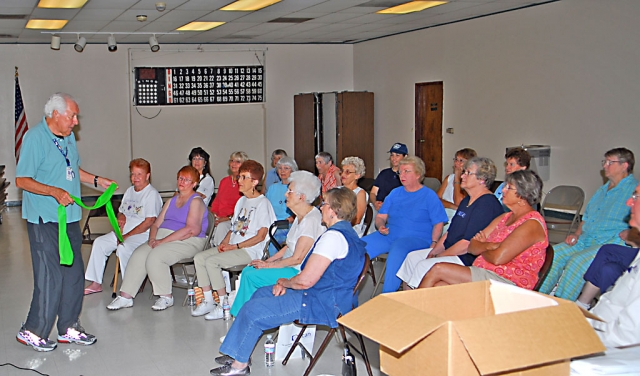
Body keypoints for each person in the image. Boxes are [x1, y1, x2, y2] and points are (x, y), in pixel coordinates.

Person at [210, 187, 366, 376]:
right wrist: (287, 283)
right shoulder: (347, 233)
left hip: (321, 301)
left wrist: (284, 282)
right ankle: (237, 353)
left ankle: (239, 366)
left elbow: (306, 281)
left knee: (253, 311)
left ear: (333, 210)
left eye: (324, 204)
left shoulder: (333, 237)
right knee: (260, 294)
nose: (321, 208)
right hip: (322, 294)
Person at [15, 92, 116, 351]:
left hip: (70, 217)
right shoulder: (34, 138)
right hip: (44, 219)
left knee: (73, 275)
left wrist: (96, 180)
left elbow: (72, 169)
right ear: (55, 114)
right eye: (72, 116)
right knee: (50, 276)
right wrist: (54, 191)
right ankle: (32, 330)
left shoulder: (68, 138)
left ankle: (69, 326)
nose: (75, 122)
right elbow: (22, 180)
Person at [419, 170, 548, 290]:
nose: (503, 190)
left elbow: (498, 258)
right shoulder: (505, 217)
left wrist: (483, 247)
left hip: (508, 281)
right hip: (485, 272)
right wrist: (492, 246)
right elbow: (472, 247)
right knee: (438, 286)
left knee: (438, 269)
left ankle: (408, 312)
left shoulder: (532, 224)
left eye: (509, 188)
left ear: (523, 195)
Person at [539, 148, 637, 300]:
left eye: (610, 162)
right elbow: (588, 217)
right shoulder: (603, 190)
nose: (605, 165)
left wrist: (630, 233)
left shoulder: (634, 190)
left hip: (609, 243)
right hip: (586, 238)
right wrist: (576, 234)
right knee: (554, 254)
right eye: (604, 161)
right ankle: (539, 296)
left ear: (625, 165)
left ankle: (563, 305)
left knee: (576, 263)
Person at [106, 166, 208, 311]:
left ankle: (166, 297)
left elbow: (191, 230)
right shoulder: (171, 201)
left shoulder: (196, 201)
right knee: (139, 254)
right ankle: (125, 296)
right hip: (163, 237)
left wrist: (162, 242)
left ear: (194, 183)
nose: (182, 182)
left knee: (156, 256)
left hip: (188, 240)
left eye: (186, 180)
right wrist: (153, 238)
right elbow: (156, 224)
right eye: (180, 178)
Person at [397, 157, 504, 288]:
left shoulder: (486, 204)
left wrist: (440, 255)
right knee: (412, 258)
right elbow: (449, 233)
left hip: (464, 257)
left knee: (424, 265)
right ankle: (407, 299)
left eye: (468, 173)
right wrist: (434, 251)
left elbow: (467, 244)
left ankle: (417, 301)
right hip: (449, 250)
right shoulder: (466, 201)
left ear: (482, 179)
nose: (462, 176)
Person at [230, 171, 325, 316]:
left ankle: (243, 316)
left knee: (251, 276)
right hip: (290, 265)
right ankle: (250, 312)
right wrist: (267, 260)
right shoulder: (300, 216)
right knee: (249, 269)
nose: (286, 194)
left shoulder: (311, 220)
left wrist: (268, 266)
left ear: (302, 197)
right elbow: (288, 246)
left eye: (290, 191)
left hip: (297, 270)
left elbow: (297, 258)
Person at [190, 160, 276, 320]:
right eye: (239, 177)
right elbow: (234, 227)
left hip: (250, 251)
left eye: (244, 177)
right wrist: (225, 242)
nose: (239, 181)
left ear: (255, 182)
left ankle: (224, 304)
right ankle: (208, 300)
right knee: (200, 258)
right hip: (235, 246)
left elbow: (261, 236)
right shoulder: (241, 201)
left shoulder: (263, 204)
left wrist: (234, 246)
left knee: (212, 262)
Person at [363, 156, 447, 293]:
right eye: (400, 172)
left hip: (418, 239)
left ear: (418, 174)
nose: (402, 175)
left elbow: (438, 223)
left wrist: (434, 242)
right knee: (359, 246)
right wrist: (380, 225)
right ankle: (345, 290)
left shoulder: (429, 196)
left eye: (406, 171)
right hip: (390, 234)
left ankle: (388, 296)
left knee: (398, 249)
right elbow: (381, 216)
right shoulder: (395, 193)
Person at [83, 158, 162, 295]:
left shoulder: (151, 194)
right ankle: (96, 283)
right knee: (100, 243)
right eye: (133, 174)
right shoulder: (130, 191)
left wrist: (126, 236)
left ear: (147, 175)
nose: (135, 178)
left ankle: (128, 288)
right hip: (123, 233)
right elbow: (121, 211)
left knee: (123, 248)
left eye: (139, 174)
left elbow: (150, 221)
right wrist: (121, 216)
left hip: (142, 235)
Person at [589, 184, 640, 347]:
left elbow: (627, 336)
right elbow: (612, 303)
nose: (629, 203)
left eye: (636, 197)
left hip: (610, 353)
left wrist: (579, 335)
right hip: (596, 332)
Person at [211, 151, 248, 246]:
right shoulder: (224, 181)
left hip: (234, 221)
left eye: (238, 162)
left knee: (221, 227)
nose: (234, 164)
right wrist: (214, 216)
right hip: (218, 219)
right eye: (232, 161)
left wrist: (227, 218)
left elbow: (243, 208)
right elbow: (216, 202)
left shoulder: (245, 183)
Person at [436, 148, 477, 224]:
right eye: (456, 159)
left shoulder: (470, 181)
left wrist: (457, 177)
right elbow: (435, 200)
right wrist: (452, 206)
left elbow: (459, 202)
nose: (457, 163)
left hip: (456, 218)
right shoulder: (449, 178)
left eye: (461, 161)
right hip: (442, 213)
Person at [370, 143, 407, 211]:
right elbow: (373, 192)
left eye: (397, 155)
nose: (394, 158)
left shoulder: (408, 176)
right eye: (392, 155)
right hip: (378, 208)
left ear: (405, 157)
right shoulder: (383, 173)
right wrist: (375, 203)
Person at [341, 156, 369, 237]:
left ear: (357, 175)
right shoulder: (337, 189)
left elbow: (357, 219)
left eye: (347, 172)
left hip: (351, 231)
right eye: (342, 171)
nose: (343, 174)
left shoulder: (360, 193)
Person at [265, 156, 297, 223]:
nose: (282, 171)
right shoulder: (272, 188)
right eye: (280, 168)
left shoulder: (296, 188)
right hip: (272, 223)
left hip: (289, 224)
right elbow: (265, 207)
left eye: (286, 168)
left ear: (292, 170)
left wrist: (294, 217)